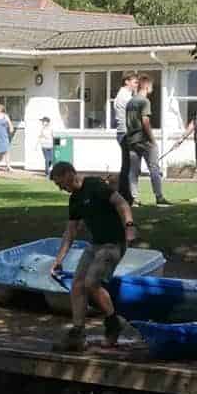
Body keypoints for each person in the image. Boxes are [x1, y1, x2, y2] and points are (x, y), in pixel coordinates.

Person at [47, 159, 135, 350]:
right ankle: (78, 334)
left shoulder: (94, 185)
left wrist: (129, 226)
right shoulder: (74, 200)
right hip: (95, 245)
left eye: (59, 182)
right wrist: (58, 260)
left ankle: (113, 323)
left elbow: (122, 204)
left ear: (68, 174)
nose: (60, 188)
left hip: (113, 243)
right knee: (77, 285)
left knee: (91, 283)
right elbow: (70, 232)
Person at [118, 73, 169, 206]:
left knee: (133, 171)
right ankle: (159, 197)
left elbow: (127, 123)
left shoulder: (130, 102)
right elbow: (145, 121)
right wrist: (152, 139)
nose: (152, 88)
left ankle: (134, 199)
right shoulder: (144, 101)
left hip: (132, 140)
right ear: (146, 86)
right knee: (154, 168)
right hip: (144, 140)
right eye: (151, 85)